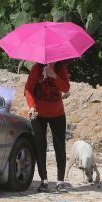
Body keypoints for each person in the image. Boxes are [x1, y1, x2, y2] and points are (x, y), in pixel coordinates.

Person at [24, 61, 70, 193]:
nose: (52, 60)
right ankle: (43, 181)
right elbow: (28, 89)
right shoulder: (36, 69)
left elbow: (66, 88)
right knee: (40, 146)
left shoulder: (61, 68)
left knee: (60, 146)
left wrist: (54, 76)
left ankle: (60, 182)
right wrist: (31, 105)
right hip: (38, 114)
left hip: (58, 114)